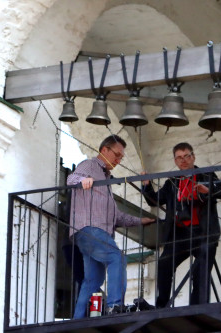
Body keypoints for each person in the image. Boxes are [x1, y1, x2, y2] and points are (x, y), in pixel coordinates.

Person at [67, 135, 155, 318]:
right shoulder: (90, 165)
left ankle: (77, 319)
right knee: (117, 258)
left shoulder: (105, 179)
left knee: (93, 280)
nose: (118, 160)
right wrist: (82, 181)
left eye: (121, 157)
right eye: (116, 155)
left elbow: (117, 217)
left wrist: (140, 221)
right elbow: (71, 178)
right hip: (90, 229)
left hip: (92, 233)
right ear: (104, 150)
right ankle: (115, 305)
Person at [141, 142, 221, 307]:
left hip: (204, 233)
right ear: (175, 161)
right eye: (179, 158)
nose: (183, 160)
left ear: (193, 157)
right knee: (164, 264)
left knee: (201, 271)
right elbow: (153, 201)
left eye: (186, 156)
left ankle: (197, 307)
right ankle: (161, 306)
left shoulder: (206, 176)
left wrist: (209, 190)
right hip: (180, 233)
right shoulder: (172, 182)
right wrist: (147, 186)